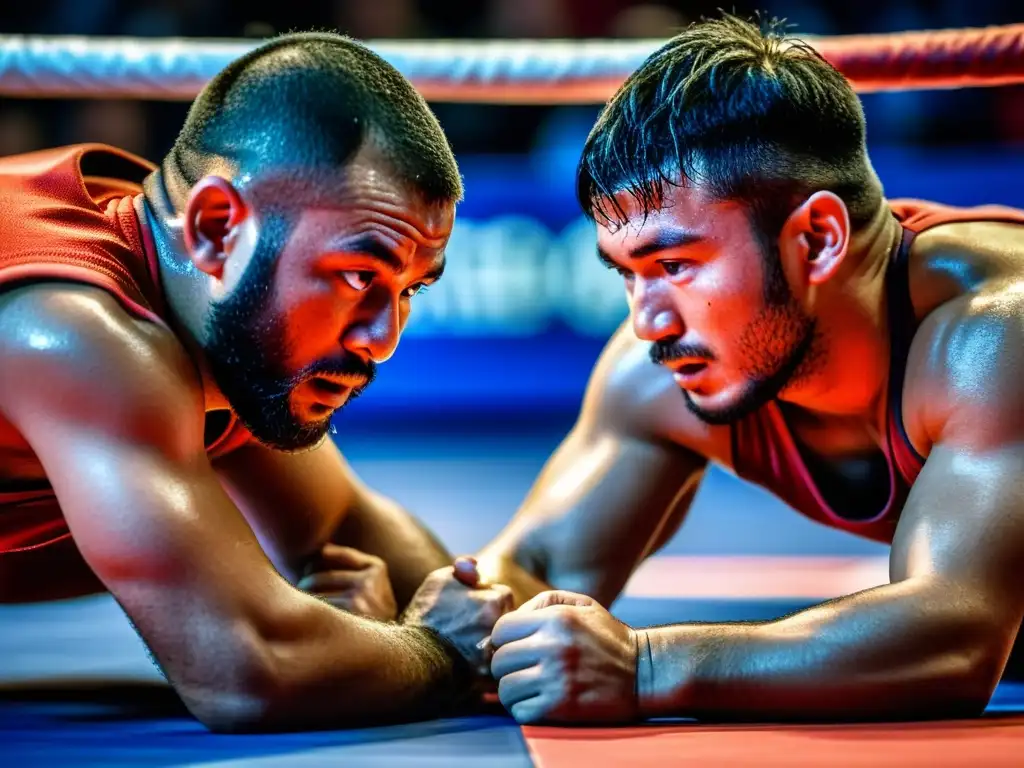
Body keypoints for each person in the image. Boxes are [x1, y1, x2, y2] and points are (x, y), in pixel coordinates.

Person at [453, 13, 1024, 724]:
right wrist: (464, 611)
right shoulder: (661, 369)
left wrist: (648, 668)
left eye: (674, 266)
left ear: (816, 240)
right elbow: (532, 568)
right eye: (628, 274)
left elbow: (955, 638)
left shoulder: (995, 332)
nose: (647, 321)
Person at [0, 33, 511, 732]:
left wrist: (514, 630)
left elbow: (344, 528)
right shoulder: (75, 329)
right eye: (359, 276)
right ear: (215, 229)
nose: (383, 339)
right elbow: (244, 668)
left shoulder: (202, 298)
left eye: (409, 288)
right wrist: (444, 654)